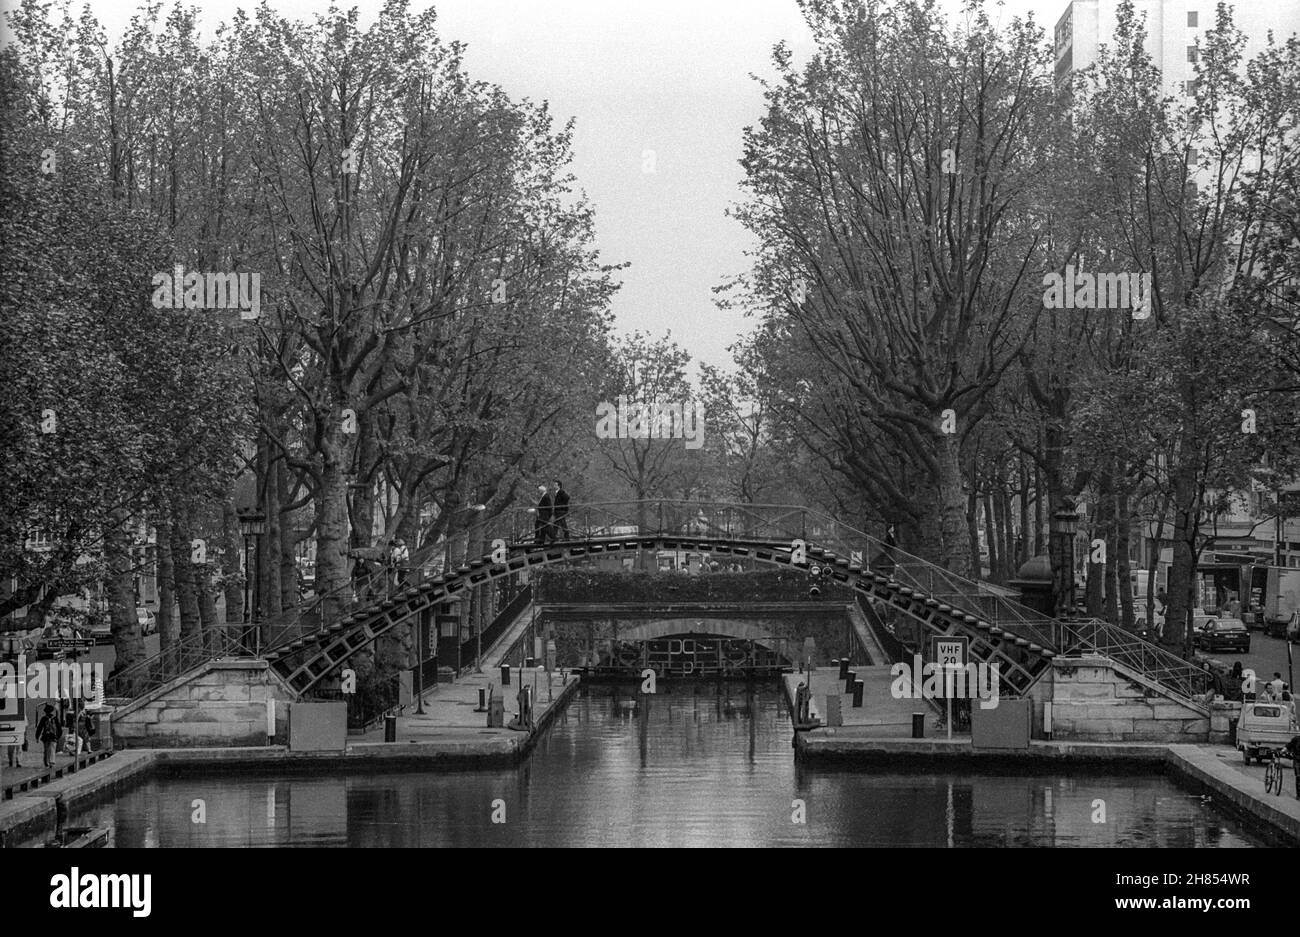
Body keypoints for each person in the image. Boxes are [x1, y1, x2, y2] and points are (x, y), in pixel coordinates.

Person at [34, 703, 60, 769]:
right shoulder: (55, 718)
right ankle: (52, 762)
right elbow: (59, 728)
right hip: (53, 737)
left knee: (46, 750)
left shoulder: (44, 718)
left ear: (45, 712)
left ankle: (46, 762)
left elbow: (39, 728)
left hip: (45, 737)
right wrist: (58, 736)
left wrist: (37, 737)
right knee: (52, 749)